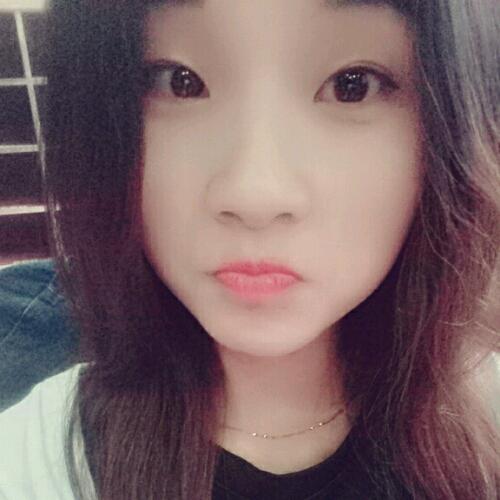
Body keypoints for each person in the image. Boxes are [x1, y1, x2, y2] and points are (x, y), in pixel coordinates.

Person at [0, 0, 499, 498]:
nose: (254, 194)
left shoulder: (486, 428)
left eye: (352, 85)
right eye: (179, 82)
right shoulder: (33, 460)